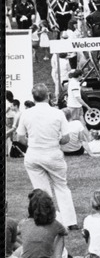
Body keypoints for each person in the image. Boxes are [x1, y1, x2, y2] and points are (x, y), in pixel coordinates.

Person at [14, 85, 77, 229]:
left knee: (41, 190)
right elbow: (66, 138)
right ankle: (70, 222)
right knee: (61, 186)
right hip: (52, 153)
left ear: (33, 97)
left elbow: (20, 137)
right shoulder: (57, 113)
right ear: (48, 96)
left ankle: (47, 219)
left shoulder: (26, 113)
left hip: (34, 154)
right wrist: (56, 141)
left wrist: (33, 143)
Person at [16, 190, 70, 258]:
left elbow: (15, 232)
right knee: (61, 235)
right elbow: (65, 232)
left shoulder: (23, 223)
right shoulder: (54, 224)